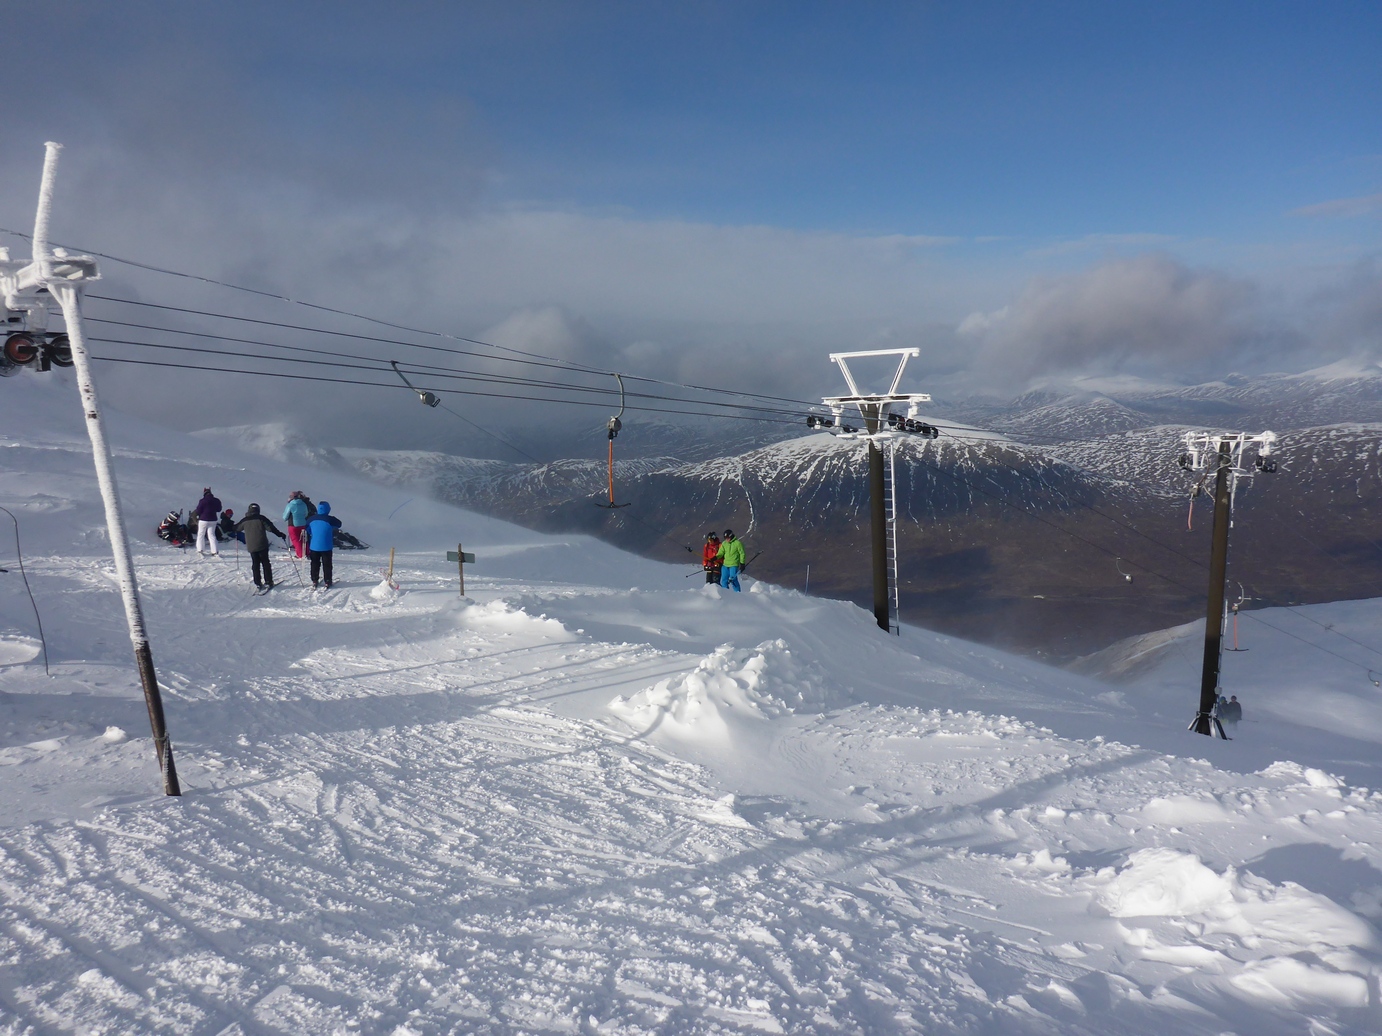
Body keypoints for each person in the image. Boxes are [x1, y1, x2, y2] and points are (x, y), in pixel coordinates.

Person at [233, 503, 287, 590]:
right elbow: (270, 528)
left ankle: (258, 583)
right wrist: (280, 534)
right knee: (265, 563)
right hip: (262, 544)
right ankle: (268, 581)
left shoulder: (245, 520)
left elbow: (236, 528)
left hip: (251, 546)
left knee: (255, 563)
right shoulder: (261, 518)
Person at [305, 500, 343, 589]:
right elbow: (339, 524)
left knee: (314, 563)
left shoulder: (311, 519)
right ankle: (328, 581)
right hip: (326, 546)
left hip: (314, 546)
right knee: (327, 564)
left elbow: (308, 529)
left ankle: (314, 580)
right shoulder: (330, 519)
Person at [194, 487, 222, 556]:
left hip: (203, 520)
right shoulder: (216, 500)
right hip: (213, 520)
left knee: (201, 534)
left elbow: (198, 511)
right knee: (212, 535)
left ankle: (200, 549)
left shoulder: (202, 501)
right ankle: (214, 551)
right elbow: (219, 509)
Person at [282, 491, 310, 559]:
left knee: (296, 540)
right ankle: (307, 553)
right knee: (303, 540)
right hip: (303, 524)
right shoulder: (303, 504)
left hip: (292, 525)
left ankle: (300, 555)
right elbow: (306, 514)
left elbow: (285, 517)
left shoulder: (290, 505)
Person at [717, 528, 746, 592]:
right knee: (724, 580)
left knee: (733, 579)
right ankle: (725, 593)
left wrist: (742, 563)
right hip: (725, 565)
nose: (726, 539)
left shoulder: (737, 543)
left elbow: (742, 553)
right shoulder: (724, 543)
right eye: (725, 538)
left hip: (733, 565)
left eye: (728, 538)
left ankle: (737, 593)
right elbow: (721, 552)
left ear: (731, 536)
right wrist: (716, 557)